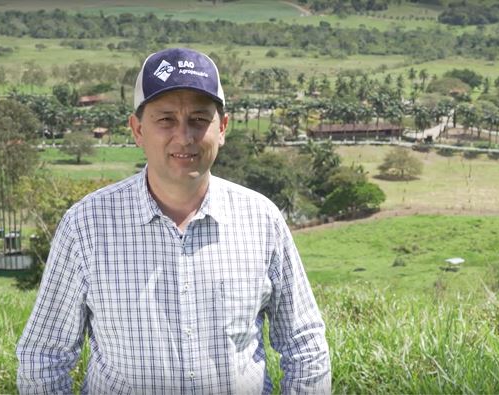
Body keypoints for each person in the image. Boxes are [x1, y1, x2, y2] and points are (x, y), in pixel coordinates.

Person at [17, 48, 331, 394]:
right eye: (166, 119)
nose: (184, 136)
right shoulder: (86, 226)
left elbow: (305, 347)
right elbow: (43, 357)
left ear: (222, 128)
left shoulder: (261, 219)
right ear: (137, 130)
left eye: (199, 119)